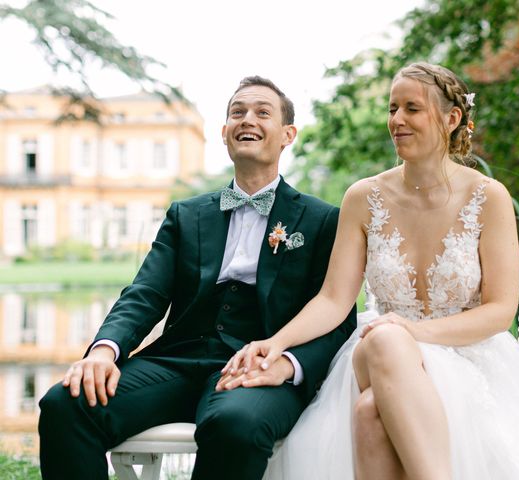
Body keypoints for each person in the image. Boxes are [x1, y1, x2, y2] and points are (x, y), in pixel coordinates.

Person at [220, 63, 519, 479]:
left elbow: (500, 312)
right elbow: (335, 299)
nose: (397, 120)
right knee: (386, 340)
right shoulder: (363, 197)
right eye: (392, 109)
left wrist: (413, 331)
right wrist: (275, 343)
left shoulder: (489, 197)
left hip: (467, 356)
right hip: (377, 352)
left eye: (412, 109)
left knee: (372, 413)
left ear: (451, 118)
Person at [37, 75, 356, 480]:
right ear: (224, 133)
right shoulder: (186, 215)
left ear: (287, 134)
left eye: (262, 112)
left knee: (235, 425)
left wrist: (289, 364)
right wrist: (104, 350)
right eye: (236, 112)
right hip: (176, 361)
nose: (247, 119)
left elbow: (337, 314)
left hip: (256, 368)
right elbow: (145, 293)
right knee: (66, 404)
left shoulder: (321, 219)